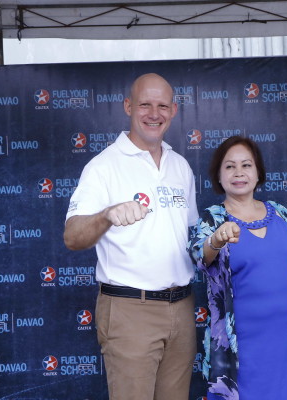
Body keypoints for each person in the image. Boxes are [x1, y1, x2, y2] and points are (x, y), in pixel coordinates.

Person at [63, 73, 198, 400]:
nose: (155, 113)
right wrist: (107, 215)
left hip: (181, 307)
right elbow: (72, 236)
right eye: (145, 104)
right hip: (129, 309)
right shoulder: (103, 166)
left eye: (162, 105)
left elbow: (192, 238)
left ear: (174, 110)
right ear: (128, 106)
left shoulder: (180, 167)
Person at [188, 136, 287, 400]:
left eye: (246, 165)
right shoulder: (212, 218)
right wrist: (216, 239)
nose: (238, 173)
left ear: (258, 172)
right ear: (218, 175)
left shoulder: (282, 214)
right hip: (240, 349)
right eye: (229, 166)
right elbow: (198, 256)